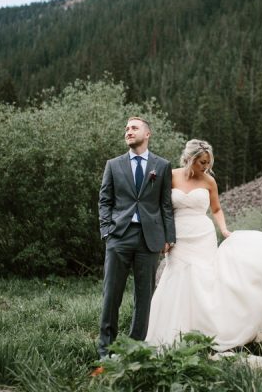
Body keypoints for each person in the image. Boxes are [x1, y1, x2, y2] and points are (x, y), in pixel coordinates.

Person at [145, 139, 262, 351]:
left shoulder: (209, 181)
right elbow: (161, 206)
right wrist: (163, 236)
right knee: (176, 277)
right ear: (189, 158)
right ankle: (170, 334)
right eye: (201, 162)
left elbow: (215, 209)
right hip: (178, 237)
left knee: (203, 281)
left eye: (207, 163)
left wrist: (224, 230)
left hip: (203, 236)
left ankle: (203, 333)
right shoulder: (171, 175)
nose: (205, 167)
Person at [97, 116, 176, 359]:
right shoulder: (114, 164)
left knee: (145, 298)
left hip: (149, 239)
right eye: (127, 129)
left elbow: (165, 205)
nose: (128, 132)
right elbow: (105, 200)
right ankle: (106, 351)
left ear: (147, 134)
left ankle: (135, 349)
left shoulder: (162, 165)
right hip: (119, 236)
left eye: (134, 128)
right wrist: (107, 230)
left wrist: (169, 236)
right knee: (112, 294)